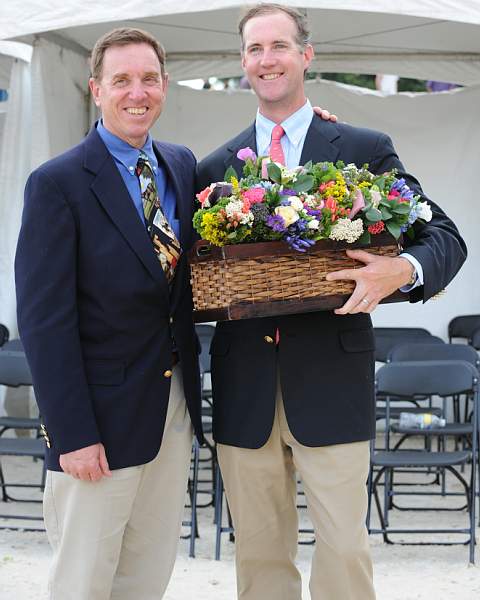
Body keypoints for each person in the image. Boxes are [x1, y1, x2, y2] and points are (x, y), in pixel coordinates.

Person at [197, 4, 466, 600]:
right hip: (245, 391)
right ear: (242, 62)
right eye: (254, 49)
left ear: (306, 55)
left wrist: (400, 270)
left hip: (333, 383)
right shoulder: (215, 168)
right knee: (260, 560)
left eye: (279, 46)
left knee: (344, 552)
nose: (266, 59)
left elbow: (445, 238)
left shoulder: (362, 148)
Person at [15, 28, 203, 600]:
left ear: (165, 86)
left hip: (171, 411)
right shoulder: (57, 183)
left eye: (148, 79)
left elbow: (244, 189)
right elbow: (44, 323)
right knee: (84, 580)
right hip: (94, 423)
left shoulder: (181, 165)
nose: (136, 93)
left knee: (147, 575)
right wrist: (71, 433)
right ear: (96, 90)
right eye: (121, 80)